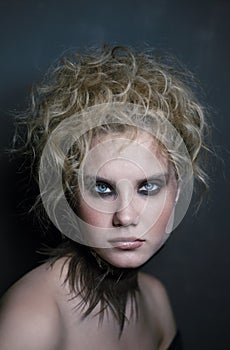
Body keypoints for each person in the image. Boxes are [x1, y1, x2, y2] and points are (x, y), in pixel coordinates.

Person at [0, 45, 208, 349]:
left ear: (178, 191)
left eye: (148, 187)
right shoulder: (31, 320)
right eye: (102, 188)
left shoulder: (155, 300)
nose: (125, 216)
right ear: (69, 193)